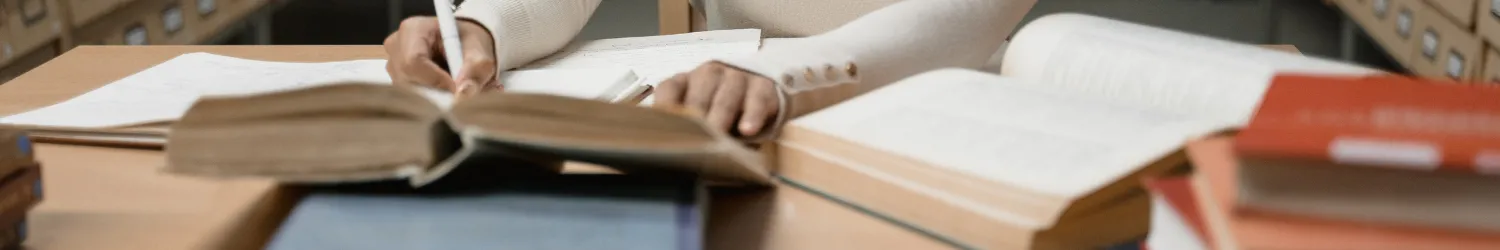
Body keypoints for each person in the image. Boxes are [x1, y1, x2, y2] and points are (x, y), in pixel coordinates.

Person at [384, 0, 1036, 140]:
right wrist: (484, 29)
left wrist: (788, 74)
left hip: (935, 113)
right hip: (722, 118)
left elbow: (969, 14)